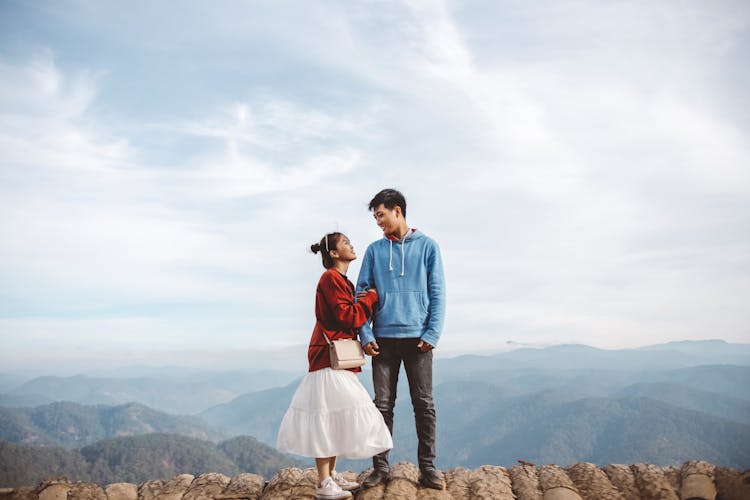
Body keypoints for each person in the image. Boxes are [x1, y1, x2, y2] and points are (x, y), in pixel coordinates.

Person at [277, 232, 393, 500]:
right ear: (333, 254)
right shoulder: (330, 278)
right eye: (346, 243)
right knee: (327, 416)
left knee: (335, 412)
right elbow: (347, 316)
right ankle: (323, 483)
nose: (352, 245)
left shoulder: (341, 280)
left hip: (333, 357)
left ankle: (331, 475)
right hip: (327, 358)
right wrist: (370, 298)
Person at [356, 188, 446, 490]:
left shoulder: (428, 247)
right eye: (376, 217)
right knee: (382, 405)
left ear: (397, 210)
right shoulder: (373, 251)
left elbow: (438, 293)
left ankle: (428, 468)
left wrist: (432, 332)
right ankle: (380, 468)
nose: (378, 221)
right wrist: (365, 333)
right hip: (382, 339)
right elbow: (361, 293)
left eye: (381, 215)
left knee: (424, 404)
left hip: (419, 339)